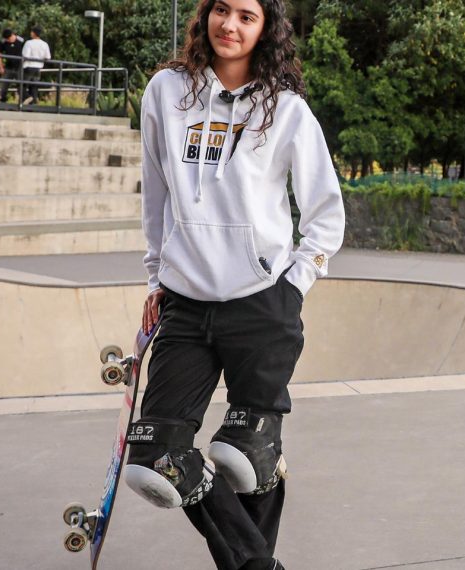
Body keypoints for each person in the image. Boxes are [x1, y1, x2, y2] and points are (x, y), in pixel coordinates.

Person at [134, 0, 345, 568]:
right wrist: (156, 276)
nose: (230, 25)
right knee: (156, 454)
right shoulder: (166, 92)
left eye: (246, 16)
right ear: (205, 16)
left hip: (261, 303)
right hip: (184, 299)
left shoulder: (288, 112)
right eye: (221, 10)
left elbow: (327, 214)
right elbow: (155, 191)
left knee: (246, 457)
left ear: (265, 28)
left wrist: (293, 286)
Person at [20, 26, 51, 105]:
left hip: (28, 66)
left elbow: (25, 55)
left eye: (31, 32)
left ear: (34, 33)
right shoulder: (44, 44)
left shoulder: (29, 43)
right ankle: (32, 105)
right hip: (38, 68)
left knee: (21, 85)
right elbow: (48, 57)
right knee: (33, 87)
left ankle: (27, 97)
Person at [0, 29, 26, 103]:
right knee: (4, 85)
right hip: (8, 67)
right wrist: (1, 67)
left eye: (9, 39)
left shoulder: (21, 41)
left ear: (13, 35)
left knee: (20, 85)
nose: (8, 40)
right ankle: (2, 100)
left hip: (19, 67)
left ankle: (22, 102)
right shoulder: (3, 42)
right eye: (7, 39)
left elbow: (26, 53)